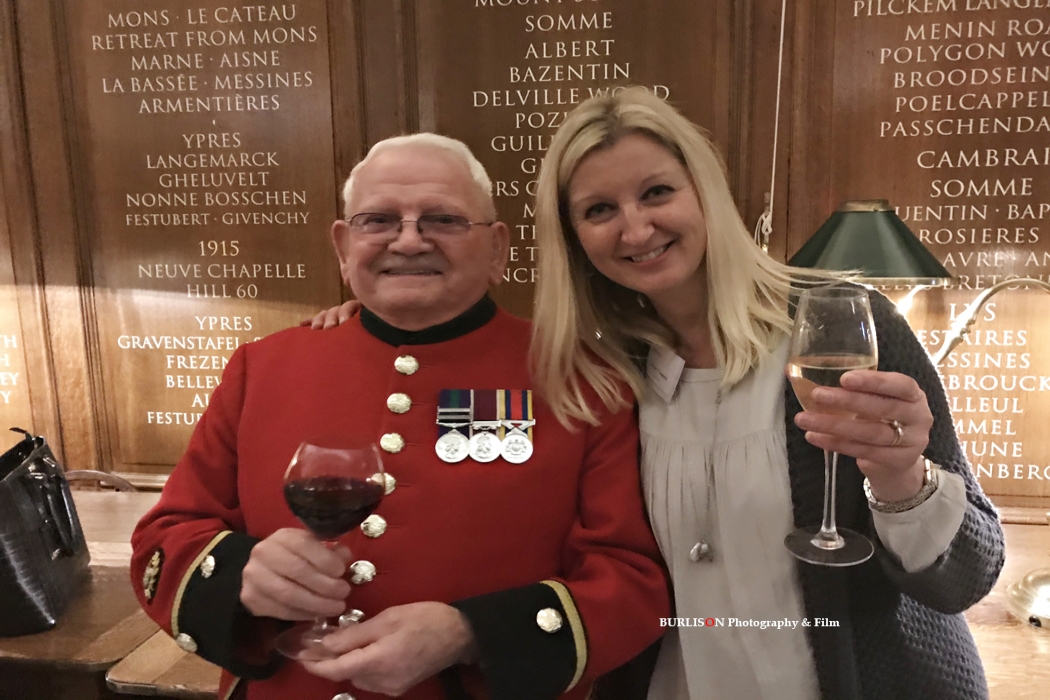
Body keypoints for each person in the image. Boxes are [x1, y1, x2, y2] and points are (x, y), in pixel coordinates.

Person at [312, 89, 1005, 700]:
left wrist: (903, 479)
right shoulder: (600, 372)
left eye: (656, 193)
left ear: (704, 192)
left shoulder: (839, 328)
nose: (636, 229)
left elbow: (965, 578)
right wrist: (370, 327)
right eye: (599, 209)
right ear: (574, 237)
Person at [131, 132, 670, 700]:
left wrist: (469, 633)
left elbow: (631, 580)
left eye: (443, 220)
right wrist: (244, 576)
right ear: (343, 246)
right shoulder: (260, 368)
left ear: (497, 248)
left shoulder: (586, 380)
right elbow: (164, 538)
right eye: (379, 221)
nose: (409, 241)